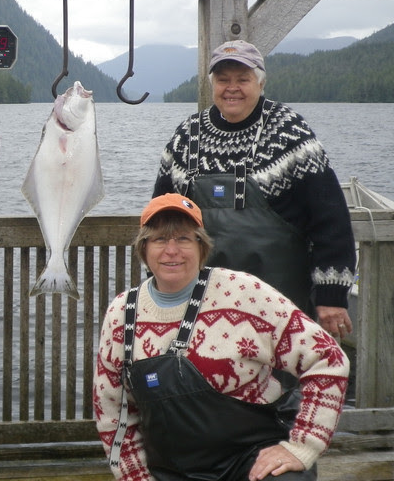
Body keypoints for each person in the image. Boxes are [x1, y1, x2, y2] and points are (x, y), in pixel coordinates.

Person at [94, 193, 349, 481]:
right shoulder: (122, 314)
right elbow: (113, 411)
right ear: (144, 248)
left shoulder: (245, 293)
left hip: (254, 462)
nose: (171, 250)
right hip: (170, 471)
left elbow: (327, 358)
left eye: (184, 239)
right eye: (160, 239)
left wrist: (302, 446)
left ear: (201, 246)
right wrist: (136, 477)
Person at [153, 40, 355, 338]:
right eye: (223, 80)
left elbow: (331, 218)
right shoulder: (187, 135)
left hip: (280, 306)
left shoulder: (290, 131)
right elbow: (159, 219)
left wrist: (331, 295)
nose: (232, 88)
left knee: (280, 369)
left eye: (243, 79)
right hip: (201, 305)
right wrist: (158, 280)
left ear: (260, 83)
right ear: (212, 85)